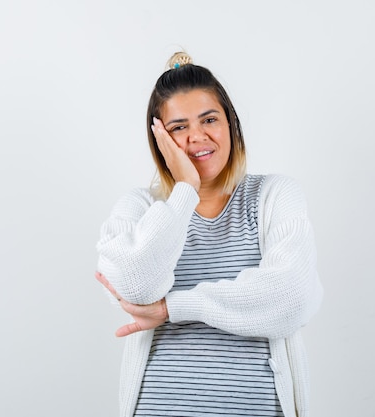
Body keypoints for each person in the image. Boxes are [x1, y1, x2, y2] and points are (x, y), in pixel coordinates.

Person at [94, 51, 323, 417]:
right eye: (179, 127)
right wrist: (185, 189)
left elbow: (292, 297)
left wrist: (172, 308)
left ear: (231, 124)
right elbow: (136, 285)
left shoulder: (274, 196)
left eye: (209, 119)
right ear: (160, 140)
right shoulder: (140, 208)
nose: (196, 137)